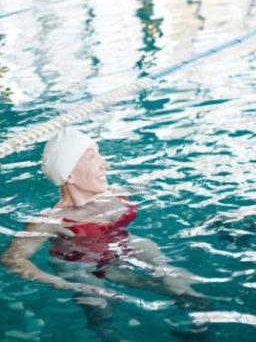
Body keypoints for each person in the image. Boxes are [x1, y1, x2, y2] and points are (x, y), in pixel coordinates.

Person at [1, 128, 207, 339]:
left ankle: (200, 313)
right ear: (69, 174)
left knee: (166, 272)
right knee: (99, 299)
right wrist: (63, 283)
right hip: (80, 263)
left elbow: (156, 183)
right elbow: (13, 258)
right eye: (92, 157)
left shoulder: (117, 195)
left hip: (123, 245)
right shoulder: (50, 219)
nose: (105, 164)